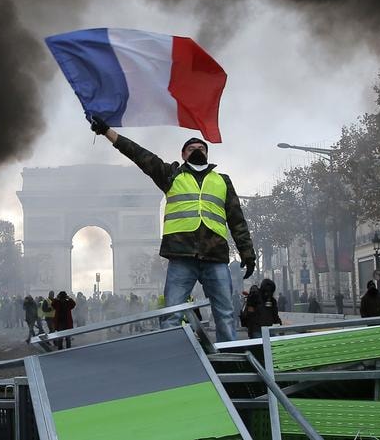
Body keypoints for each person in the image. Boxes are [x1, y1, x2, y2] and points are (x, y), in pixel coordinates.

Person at [90, 118, 256, 342]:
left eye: (201, 148)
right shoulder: (171, 175)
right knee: (171, 315)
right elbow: (139, 154)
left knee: (225, 314)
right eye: (191, 148)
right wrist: (108, 132)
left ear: (207, 154)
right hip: (182, 256)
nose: (197, 151)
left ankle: (232, 361)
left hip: (214, 256)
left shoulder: (223, 181)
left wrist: (247, 252)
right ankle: (174, 357)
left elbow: (237, 220)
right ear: (183, 154)